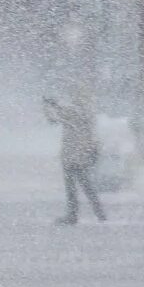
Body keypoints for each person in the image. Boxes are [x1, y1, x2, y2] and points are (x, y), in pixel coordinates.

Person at [44, 96, 106, 225]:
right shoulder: (86, 114)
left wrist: (50, 106)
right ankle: (98, 213)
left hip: (73, 156)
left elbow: (53, 120)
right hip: (80, 155)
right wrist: (54, 106)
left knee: (74, 187)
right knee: (85, 186)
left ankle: (74, 215)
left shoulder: (74, 113)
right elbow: (59, 117)